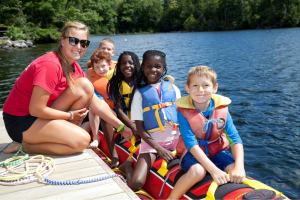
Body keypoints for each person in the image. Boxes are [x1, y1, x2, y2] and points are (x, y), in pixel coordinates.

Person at [2, 21, 132, 155]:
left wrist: (121, 127)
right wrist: (69, 115)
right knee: (81, 141)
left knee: (85, 86)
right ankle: (25, 146)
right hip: (21, 122)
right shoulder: (50, 65)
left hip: (40, 115)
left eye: (83, 43)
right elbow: (36, 109)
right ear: (62, 41)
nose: (78, 46)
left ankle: (62, 135)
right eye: (73, 41)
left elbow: (96, 103)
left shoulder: (73, 66)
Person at [167, 66, 245, 200]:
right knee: (198, 172)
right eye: (195, 85)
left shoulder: (223, 109)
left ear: (215, 88)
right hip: (192, 153)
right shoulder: (183, 112)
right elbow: (190, 143)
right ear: (187, 88)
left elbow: (235, 139)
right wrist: (213, 170)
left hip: (217, 151)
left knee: (234, 169)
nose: (200, 90)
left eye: (206, 85)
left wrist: (239, 167)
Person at [119, 50, 181, 190]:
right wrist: (159, 149)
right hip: (152, 144)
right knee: (136, 184)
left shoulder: (174, 89)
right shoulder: (138, 94)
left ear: (164, 68)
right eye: (149, 66)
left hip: (176, 140)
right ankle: (128, 167)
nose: (153, 70)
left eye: (157, 66)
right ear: (143, 68)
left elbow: (182, 117)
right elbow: (139, 128)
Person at [107, 51, 141, 166]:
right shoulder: (116, 83)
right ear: (119, 66)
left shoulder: (142, 81)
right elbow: (119, 110)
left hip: (140, 118)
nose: (127, 65)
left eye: (131, 63)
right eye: (123, 63)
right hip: (123, 119)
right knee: (106, 115)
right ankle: (114, 154)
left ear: (136, 64)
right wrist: (132, 126)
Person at [87, 50, 115, 149]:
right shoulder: (94, 84)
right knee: (93, 108)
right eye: (97, 67)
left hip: (120, 112)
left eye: (103, 66)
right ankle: (96, 137)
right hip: (106, 113)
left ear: (110, 64)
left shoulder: (118, 76)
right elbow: (99, 103)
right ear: (93, 69)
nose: (101, 70)